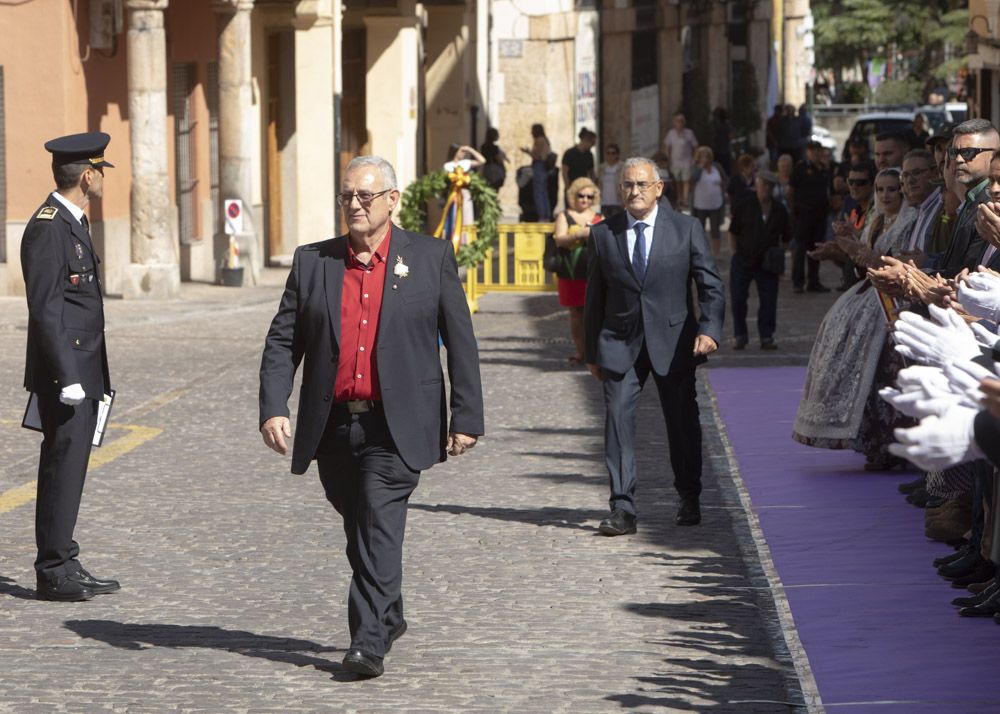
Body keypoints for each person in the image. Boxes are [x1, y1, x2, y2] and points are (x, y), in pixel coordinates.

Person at [258, 155, 484, 678]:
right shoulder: (315, 261)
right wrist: (274, 405)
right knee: (358, 525)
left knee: (379, 523)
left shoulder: (429, 257)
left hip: (397, 423)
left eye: (364, 196)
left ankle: (366, 643)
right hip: (334, 424)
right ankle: (389, 611)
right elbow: (282, 340)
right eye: (346, 197)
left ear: (392, 200)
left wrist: (466, 415)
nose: (354, 206)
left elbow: (461, 341)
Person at [584, 157, 725, 535]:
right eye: (628, 185)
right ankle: (622, 507)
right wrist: (590, 353)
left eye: (642, 185)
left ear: (659, 188)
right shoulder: (603, 234)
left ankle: (689, 495)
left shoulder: (687, 229)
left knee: (681, 423)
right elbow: (593, 298)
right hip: (619, 343)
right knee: (617, 421)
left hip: (674, 341)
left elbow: (710, 285)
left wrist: (709, 329)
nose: (635, 192)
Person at [20, 132, 119, 602]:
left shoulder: (73, 222)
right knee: (61, 467)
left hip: (83, 369)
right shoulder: (49, 227)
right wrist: (68, 379)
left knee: (72, 466)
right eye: (100, 170)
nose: (102, 178)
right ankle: (52, 570)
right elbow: (46, 309)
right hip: (68, 377)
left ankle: (64, 556)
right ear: (86, 176)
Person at [794, 168, 918, 467]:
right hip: (868, 296)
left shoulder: (909, 220)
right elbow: (862, 257)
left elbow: (882, 260)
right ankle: (874, 444)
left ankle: (896, 447)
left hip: (892, 299)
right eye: (881, 189)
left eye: (891, 189)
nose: (886, 195)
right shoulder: (877, 219)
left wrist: (852, 246)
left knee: (885, 372)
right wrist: (842, 247)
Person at [728, 172, 791, 350]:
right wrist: (734, 254)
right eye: (763, 186)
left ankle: (766, 336)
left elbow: (787, 237)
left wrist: (779, 255)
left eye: (770, 187)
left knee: (769, 300)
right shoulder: (744, 205)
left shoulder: (779, 209)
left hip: (767, 263)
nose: (766, 190)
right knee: (738, 299)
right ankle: (740, 334)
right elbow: (733, 231)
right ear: (757, 186)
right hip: (743, 260)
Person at [552, 177, 602, 364]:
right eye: (581, 196)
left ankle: (595, 351)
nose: (585, 200)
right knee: (576, 314)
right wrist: (580, 234)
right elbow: (559, 239)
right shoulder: (565, 215)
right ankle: (581, 351)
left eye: (590, 197)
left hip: (594, 272)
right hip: (571, 272)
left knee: (595, 313)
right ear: (574, 195)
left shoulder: (599, 217)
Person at [788, 140, 832, 292]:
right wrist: (793, 209)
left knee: (816, 249)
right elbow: (791, 190)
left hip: (819, 215)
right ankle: (798, 282)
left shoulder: (823, 169)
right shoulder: (800, 168)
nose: (815, 154)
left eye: (818, 151)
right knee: (800, 249)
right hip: (803, 214)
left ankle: (814, 282)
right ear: (807, 152)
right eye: (813, 151)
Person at [690, 146, 727, 258]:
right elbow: (693, 178)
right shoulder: (696, 168)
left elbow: (725, 179)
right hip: (700, 204)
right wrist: (701, 167)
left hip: (715, 204)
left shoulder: (717, 167)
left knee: (715, 229)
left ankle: (717, 253)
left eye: (707, 155)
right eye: (702, 156)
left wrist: (722, 186)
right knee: (700, 230)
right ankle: (701, 252)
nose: (705, 158)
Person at [662, 113, 698, 209]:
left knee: (686, 180)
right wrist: (667, 159)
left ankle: (685, 200)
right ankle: (679, 198)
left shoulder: (689, 133)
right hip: (675, 161)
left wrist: (694, 158)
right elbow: (667, 147)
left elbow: (695, 146)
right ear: (675, 123)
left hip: (687, 161)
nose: (679, 123)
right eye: (677, 121)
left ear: (684, 123)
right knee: (677, 181)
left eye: (681, 121)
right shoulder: (671, 133)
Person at [520, 123, 553, 221]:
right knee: (544, 192)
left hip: (539, 165)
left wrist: (527, 152)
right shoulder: (546, 140)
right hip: (544, 167)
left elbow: (537, 155)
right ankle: (547, 214)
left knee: (538, 192)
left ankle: (542, 215)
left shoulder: (539, 141)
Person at [561, 128, 597, 206]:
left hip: (583, 189)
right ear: (585, 140)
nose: (593, 145)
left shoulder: (589, 155)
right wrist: (568, 188)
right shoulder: (570, 153)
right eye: (592, 143)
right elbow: (564, 172)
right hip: (572, 187)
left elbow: (591, 172)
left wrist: (593, 186)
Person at [597, 143, 623, 217]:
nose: (610, 155)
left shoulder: (622, 167)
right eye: (608, 153)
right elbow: (599, 183)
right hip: (604, 202)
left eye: (613, 153)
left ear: (617, 154)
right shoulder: (601, 167)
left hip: (617, 202)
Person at [479, 127, 508, 191]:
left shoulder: (483, 146)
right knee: (494, 189)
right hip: (494, 171)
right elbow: (498, 159)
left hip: (486, 170)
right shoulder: (494, 148)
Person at [710, 107, 733, 177]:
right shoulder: (727, 125)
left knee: (716, 168)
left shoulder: (714, 125)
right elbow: (731, 136)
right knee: (726, 170)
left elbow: (712, 136)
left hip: (716, 149)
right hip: (725, 150)